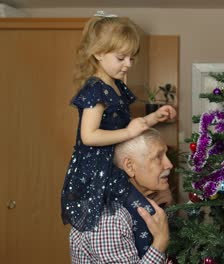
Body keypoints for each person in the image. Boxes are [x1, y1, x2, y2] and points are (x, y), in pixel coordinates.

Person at [61, 12, 176, 233]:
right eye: (121, 58)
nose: (128, 64)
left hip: (114, 166)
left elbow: (123, 123)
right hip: (97, 171)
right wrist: (128, 132)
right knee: (131, 217)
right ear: (98, 53)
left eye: (131, 58)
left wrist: (153, 117)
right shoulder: (96, 89)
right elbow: (89, 136)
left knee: (143, 214)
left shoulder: (115, 86)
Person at [70, 128, 172, 263]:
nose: (169, 164)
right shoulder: (109, 218)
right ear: (129, 166)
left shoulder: (142, 202)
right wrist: (160, 242)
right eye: (158, 157)